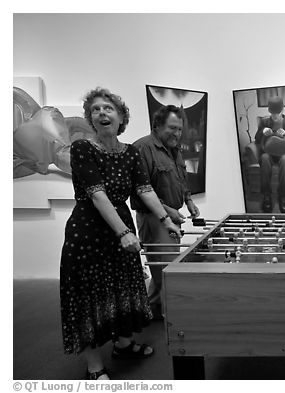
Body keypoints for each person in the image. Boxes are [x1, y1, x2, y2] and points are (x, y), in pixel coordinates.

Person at [59, 88, 182, 380]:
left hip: (121, 229)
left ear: (121, 116)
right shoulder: (82, 149)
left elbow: (144, 189)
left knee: (124, 288)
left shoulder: (129, 152)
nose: (102, 113)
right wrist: (124, 232)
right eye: (96, 110)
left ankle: (124, 345)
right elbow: (97, 195)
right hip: (89, 233)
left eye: (109, 108)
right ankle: (94, 366)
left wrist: (166, 220)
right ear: (90, 118)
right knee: (90, 297)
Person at [130, 105, 200, 320]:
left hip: (171, 217)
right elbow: (142, 190)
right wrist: (169, 211)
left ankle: (150, 311)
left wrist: (188, 201)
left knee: (162, 269)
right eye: (172, 128)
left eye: (180, 129)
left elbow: (181, 179)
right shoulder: (142, 148)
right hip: (153, 219)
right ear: (158, 125)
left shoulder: (174, 149)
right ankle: (172, 318)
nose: (177, 134)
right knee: (166, 270)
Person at [254, 96, 285, 213]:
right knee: (264, 158)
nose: (275, 115)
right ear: (269, 111)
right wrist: (262, 132)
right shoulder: (264, 122)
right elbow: (257, 140)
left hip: (284, 153)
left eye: (277, 113)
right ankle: (267, 196)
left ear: (282, 110)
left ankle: (282, 196)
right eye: (273, 113)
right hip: (268, 153)